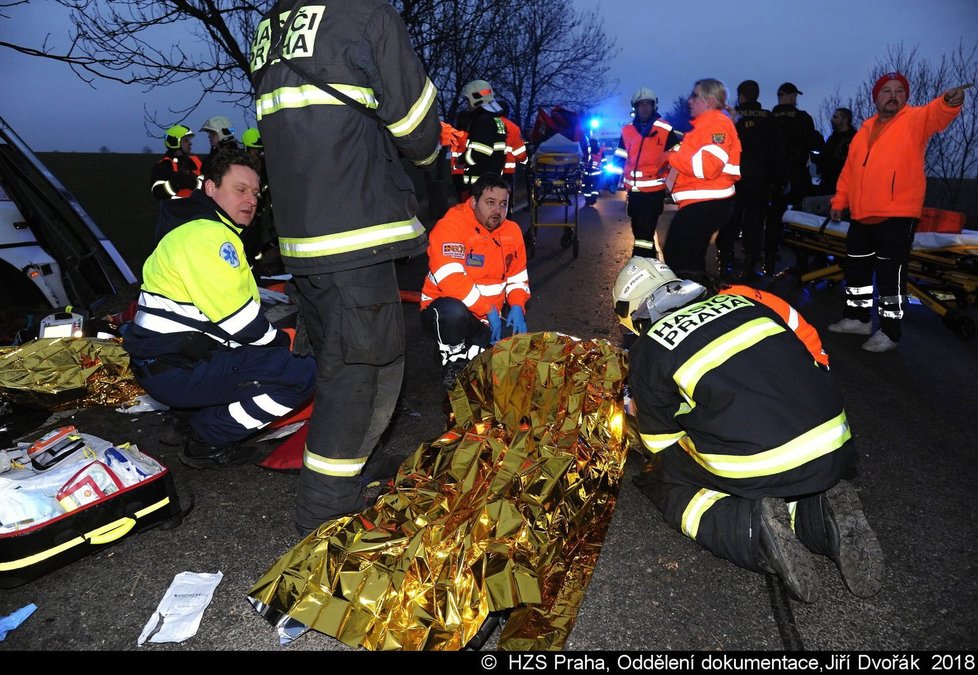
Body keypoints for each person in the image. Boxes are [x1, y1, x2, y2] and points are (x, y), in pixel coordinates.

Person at [250, 0, 441, 534]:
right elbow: (421, 134)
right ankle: (323, 512)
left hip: (304, 240)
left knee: (364, 361)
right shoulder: (366, 17)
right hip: (356, 235)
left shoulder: (271, 28)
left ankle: (353, 471)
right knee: (355, 377)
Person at [613, 256, 884, 603]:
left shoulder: (650, 347)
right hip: (835, 439)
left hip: (766, 459)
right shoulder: (742, 302)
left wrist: (638, 407)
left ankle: (752, 530)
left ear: (632, 312)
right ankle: (817, 518)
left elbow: (660, 442)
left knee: (664, 477)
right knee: (749, 438)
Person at [122, 149, 316, 469]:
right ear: (210, 188)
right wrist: (284, 345)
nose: (251, 200)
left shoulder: (193, 228)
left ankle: (187, 418)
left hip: (168, 363)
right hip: (177, 369)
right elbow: (241, 324)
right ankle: (208, 437)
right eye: (240, 189)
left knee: (258, 359)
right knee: (300, 374)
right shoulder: (209, 235)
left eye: (255, 193)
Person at [827, 73, 967, 352]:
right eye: (886, 91)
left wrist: (949, 102)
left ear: (905, 97)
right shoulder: (864, 130)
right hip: (861, 216)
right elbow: (849, 173)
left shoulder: (914, 120)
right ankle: (857, 319)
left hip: (897, 215)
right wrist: (839, 202)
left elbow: (936, 113)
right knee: (857, 272)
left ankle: (889, 333)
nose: (893, 95)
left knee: (891, 276)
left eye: (899, 91)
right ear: (876, 98)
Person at [420, 174, 530, 390]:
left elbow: (518, 276)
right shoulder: (451, 226)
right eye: (490, 203)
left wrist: (517, 305)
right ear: (473, 202)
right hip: (445, 310)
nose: (497, 211)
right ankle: (453, 360)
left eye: (503, 204)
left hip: (490, 317)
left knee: (514, 363)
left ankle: (468, 346)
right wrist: (487, 309)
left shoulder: (511, 231)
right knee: (453, 314)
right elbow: (450, 278)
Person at [662, 78, 741, 279]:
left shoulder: (716, 125)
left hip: (707, 204)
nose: (689, 100)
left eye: (694, 95)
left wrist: (672, 157)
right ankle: (697, 296)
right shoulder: (707, 125)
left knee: (679, 257)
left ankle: (695, 299)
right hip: (704, 204)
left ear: (709, 99)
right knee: (686, 257)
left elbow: (708, 167)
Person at [716, 80, 786, 278]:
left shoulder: (731, 116)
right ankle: (749, 265)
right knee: (754, 223)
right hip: (760, 181)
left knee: (731, 221)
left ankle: (725, 263)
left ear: (741, 96)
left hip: (733, 179)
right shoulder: (768, 118)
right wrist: (778, 180)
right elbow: (778, 152)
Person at [612, 87, 681, 259]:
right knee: (637, 227)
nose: (644, 108)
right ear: (635, 107)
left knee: (646, 228)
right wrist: (614, 177)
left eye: (647, 105)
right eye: (640, 105)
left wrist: (671, 179)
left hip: (654, 190)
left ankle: (641, 258)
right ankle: (649, 258)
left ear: (654, 106)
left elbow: (677, 156)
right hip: (634, 190)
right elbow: (620, 156)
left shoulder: (664, 129)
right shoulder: (627, 130)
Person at [772, 82, 823, 211]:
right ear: (789, 96)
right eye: (794, 95)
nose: (795, 99)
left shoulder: (769, 119)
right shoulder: (802, 118)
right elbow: (815, 143)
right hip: (797, 172)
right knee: (801, 211)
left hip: (774, 173)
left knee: (775, 210)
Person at [150, 125, 204, 243]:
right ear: (175, 142)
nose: (190, 143)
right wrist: (176, 184)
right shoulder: (163, 166)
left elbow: (207, 186)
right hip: (172, 219)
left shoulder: (196, 162)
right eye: (186, 140)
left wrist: (193, 183)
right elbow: (157, 192)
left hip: (196, 217)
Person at [460, 79, 507, 197]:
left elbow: (481, 151)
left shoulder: (483, 121)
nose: (467, 104)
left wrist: (463, 159)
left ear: (475, 98)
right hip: (491, 181)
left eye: (468, 100)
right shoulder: (497, 120)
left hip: (480, 183)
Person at [813, 108, 856, 196]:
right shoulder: (832, 139)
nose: (832, 119)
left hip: (843, 186)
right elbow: (823, 158)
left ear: (845, 120)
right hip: (827, 184)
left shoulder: (854, 138)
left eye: (835, 117)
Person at [498, 100, 528, 194]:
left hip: (488, 170)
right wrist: (525, 160)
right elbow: (519, 153)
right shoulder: (514, 128)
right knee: (505, 196)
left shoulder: (486, 124)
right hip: (507, 171)